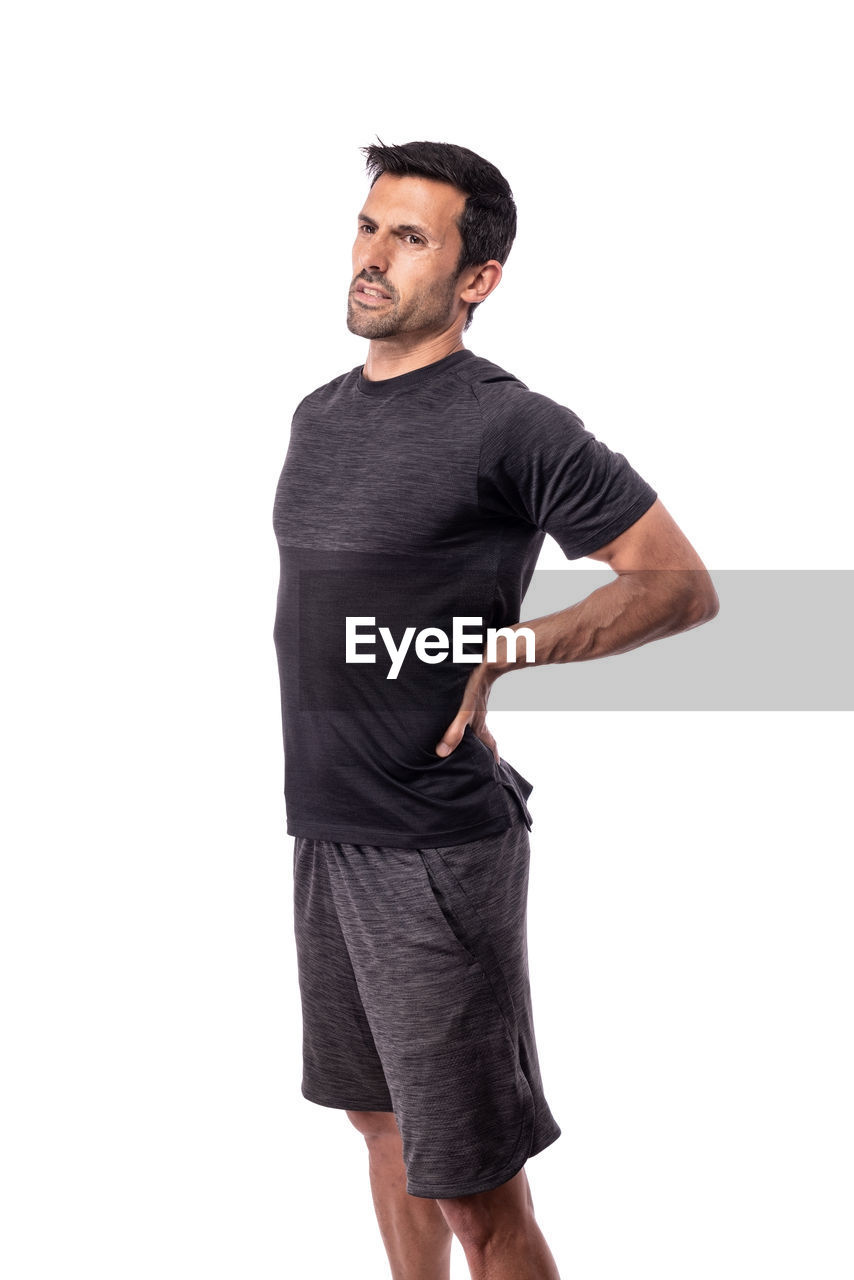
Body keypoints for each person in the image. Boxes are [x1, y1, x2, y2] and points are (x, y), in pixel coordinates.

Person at [272, 140, 718, 1280]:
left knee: (476, 1188)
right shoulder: (318, 415)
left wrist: (511, 649)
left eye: (409, 237)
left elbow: (673, 580)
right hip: (328, 828)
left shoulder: (505, 424)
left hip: (433, 852)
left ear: (478, 278)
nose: (371, 257)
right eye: (367, 226)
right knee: (378, 1124)